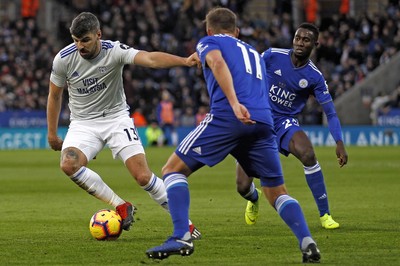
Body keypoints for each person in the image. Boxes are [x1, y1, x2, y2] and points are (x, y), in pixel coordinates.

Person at [146, 8, 320, 263]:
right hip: (263, 122)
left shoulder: (209, 42)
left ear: (208, 30)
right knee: (276, 192)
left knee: (172, 169)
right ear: (237, 32)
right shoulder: (253, 53)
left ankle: (182, 235)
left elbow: (216, 62)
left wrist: (234, 103)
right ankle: (307, 242)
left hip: (229, 115)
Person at [46, 12, 201, 239]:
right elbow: (54, 96)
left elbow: (149, 59)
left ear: (98, 34)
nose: (80, 46)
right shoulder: (63, 58)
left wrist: (185, 60)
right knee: (68, 164)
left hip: (116, 118)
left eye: (85, 40)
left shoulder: (114, 51)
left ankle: (184, 223)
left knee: (143, 177)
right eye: (76, 40)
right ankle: (120, 205)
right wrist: (52, 134)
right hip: (83, 123)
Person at [237, 22, 348, 229]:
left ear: (315, 44)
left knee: (308, 154)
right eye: (297, 38)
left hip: (283, 122)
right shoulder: (272, 55)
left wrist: (339, 142)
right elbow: (249, 75)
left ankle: (325, 215)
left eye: (306, 40)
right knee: (242, 186)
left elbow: (330, 112)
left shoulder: (314, 76)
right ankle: (253, 198)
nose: (300, 42)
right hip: (258, 119)